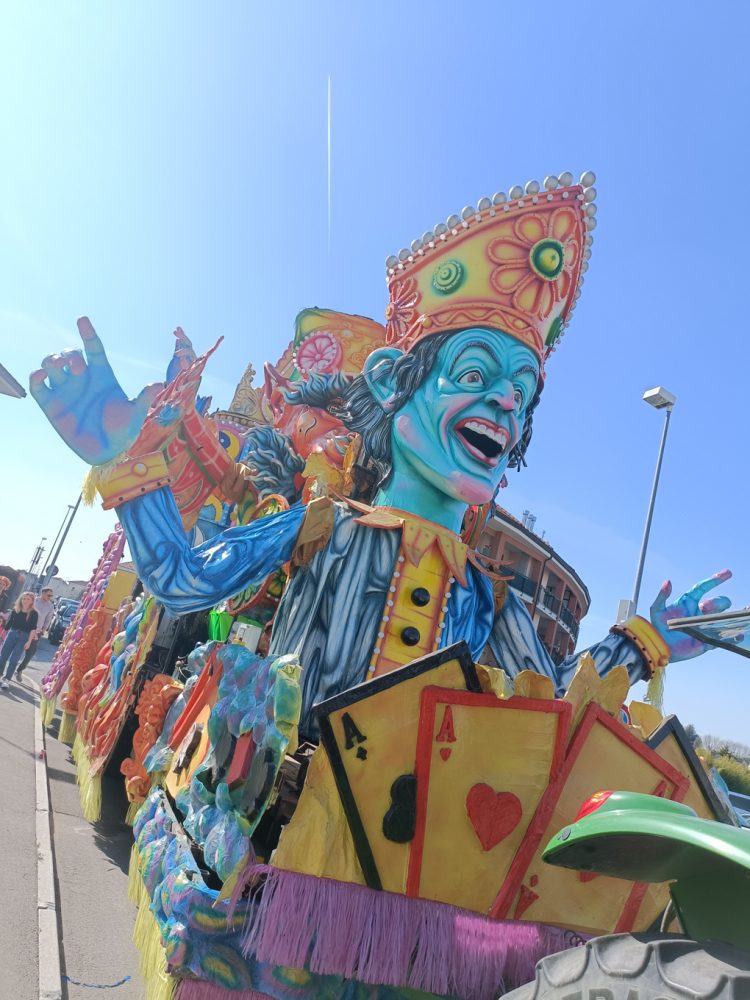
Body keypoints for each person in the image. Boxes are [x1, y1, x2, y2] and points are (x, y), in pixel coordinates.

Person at [28, 174, 736, 739]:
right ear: (395, 382)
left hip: (405, 903)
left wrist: (646, 642)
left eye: (522, 395)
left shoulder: (487, 601)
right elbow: (182, 580)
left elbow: (554, 704)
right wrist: (127, 460)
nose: (505, 406)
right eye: (474, 376)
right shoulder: (319, 528)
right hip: (281, 862)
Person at [0, 592, 39, 688]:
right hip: (12, 634)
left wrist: (29, 642)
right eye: (24, 598)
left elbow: (33, 629)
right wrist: (1, 635)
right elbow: (8, 624)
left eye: (28, 599)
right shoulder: (15, 610)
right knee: (3, 656)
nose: (25, 601)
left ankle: (7, 679)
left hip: (24, 637)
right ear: (21, 599)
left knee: (14, 659)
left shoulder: (34, 613)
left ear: (32, 602)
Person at [15, 587, 54, 680]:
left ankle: (19, 670)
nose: (50, 597)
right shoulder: (33, 601)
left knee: (30, 653)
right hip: (25, 629)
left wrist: (43, 630)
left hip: (37, 632)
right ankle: (8, 669)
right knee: (17, 649)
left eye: (51, 595)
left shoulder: (50, 606)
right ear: (43, 593)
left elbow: (48, 619)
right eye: (48, 595)